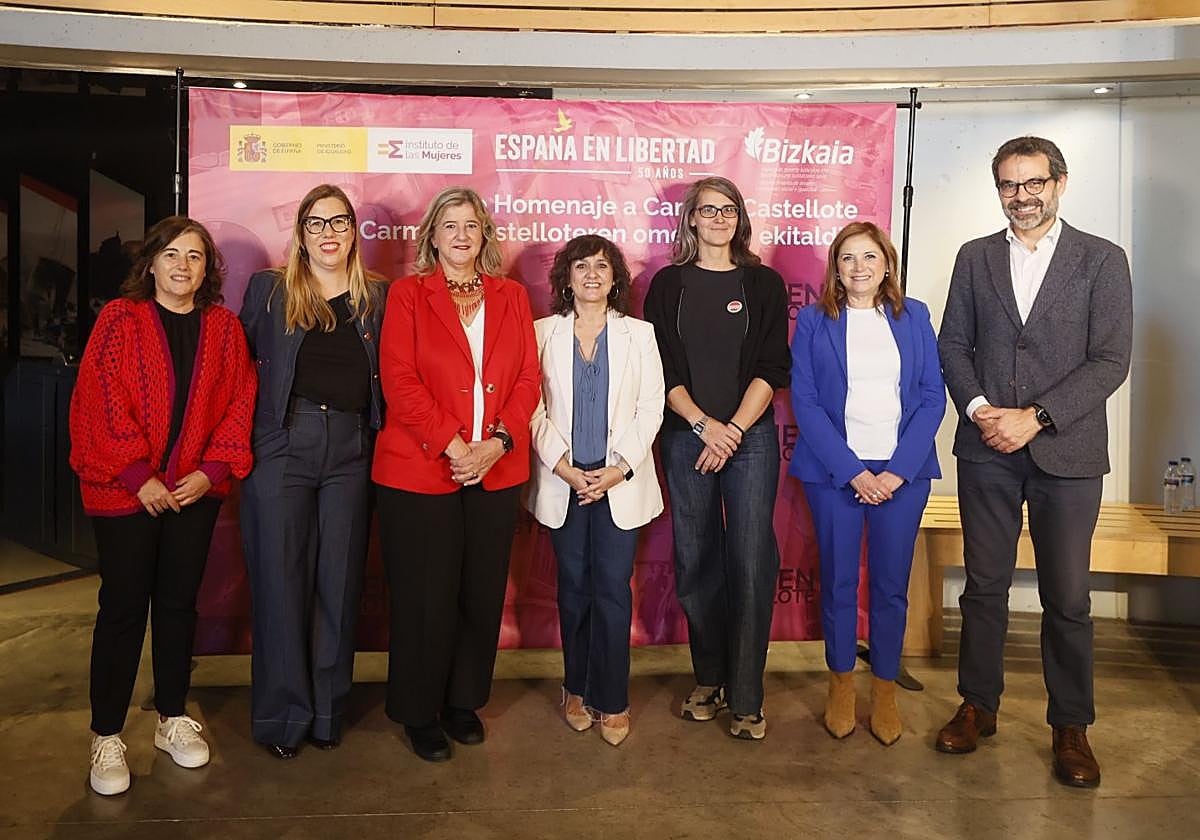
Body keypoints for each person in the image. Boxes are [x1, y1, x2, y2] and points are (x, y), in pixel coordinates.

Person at [936, 136, 1133, 787]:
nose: (1021, 197)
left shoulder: (1102, 260)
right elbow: (952, 347)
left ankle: (1070, 725)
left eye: (1033, 183)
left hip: (1068, 454)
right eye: (1009, 185)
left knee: (1068, 598)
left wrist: (1037, 417)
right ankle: (978, 705)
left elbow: (1110, 360)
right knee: (984, 589)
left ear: (1061, 183)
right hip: (986, 450)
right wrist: (981, 410)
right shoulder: (974, 257)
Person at [69, 216, 256, 795]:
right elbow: (97, 399)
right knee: (124, 607)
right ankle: (106, 735)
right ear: (149, 263)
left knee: (177, 605)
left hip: (192, 492)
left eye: (195, 256)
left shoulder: (223, 328)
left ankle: (172, 717)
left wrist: (213, 470)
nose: (183, 266)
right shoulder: (119, 321)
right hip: (123, 491)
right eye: (171, 254)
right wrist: (136, 474)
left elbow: (242, 399)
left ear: (208, 269)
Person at [373, 186, 540, 762]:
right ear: (432, 237)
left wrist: (496, 443)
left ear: (485, 235)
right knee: (425, 596)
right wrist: (453, 445)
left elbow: (527, 381)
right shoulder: (407, 295)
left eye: (472, 225)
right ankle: (419, 712)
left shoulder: (512, 296)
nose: (462, 234)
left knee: (480, 590)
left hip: (495, 469)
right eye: (450, 225)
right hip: (421, 470)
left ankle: (463, 702)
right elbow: (398, 378)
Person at [238, 184, 387, 759]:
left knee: (339, 582)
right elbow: (235, 368)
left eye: (339, 222)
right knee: (280, 584)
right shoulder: (269, 291)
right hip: (283, 444)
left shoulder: (379, 296)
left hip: (352, 447)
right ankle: (283, 717)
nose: (328, 233)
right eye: (316, 223)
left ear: (354, 231)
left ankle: (326, 713)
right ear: (301, 234)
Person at [643, 176, 791, 741]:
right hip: (686, 435)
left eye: (729, 210)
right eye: (709, 210)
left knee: (752, 559)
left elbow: (772, 367)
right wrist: (704, 425)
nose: (719, 219)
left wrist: (730, 429)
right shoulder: (668, 285)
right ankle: (708, 677)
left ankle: (747, 694)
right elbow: (661, 371)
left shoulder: (764, 283)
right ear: (691, 220)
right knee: (696, 558)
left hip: (748, 437)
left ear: (740, 218)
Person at [789, 221, 945, 746]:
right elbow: (805, 403)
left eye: (869, 257)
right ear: (835, 268)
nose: (859, 268)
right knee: (836, 582)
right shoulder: (813, 322)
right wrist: (853, 471)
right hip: (835, 473)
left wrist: (897, 470)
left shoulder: (914, 315)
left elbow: (931, 396)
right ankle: (839, 686)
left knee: (889, 586)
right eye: (848, 258)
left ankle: (884, 690)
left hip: (903, 473)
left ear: (886, 265)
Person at [526, 235, 665, 747]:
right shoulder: (542, 333)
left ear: (615, 279)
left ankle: (612, 698)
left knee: (611, 590)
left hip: (616, 485)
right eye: (580, 266)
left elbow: (651, 407)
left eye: (601, 267)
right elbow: (532, 407)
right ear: (565, 277)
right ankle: (575, 688)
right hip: (563, 482)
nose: (591, 275)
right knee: (573, 590)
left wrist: (617, 469)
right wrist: (562, 466)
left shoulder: (640, 335)